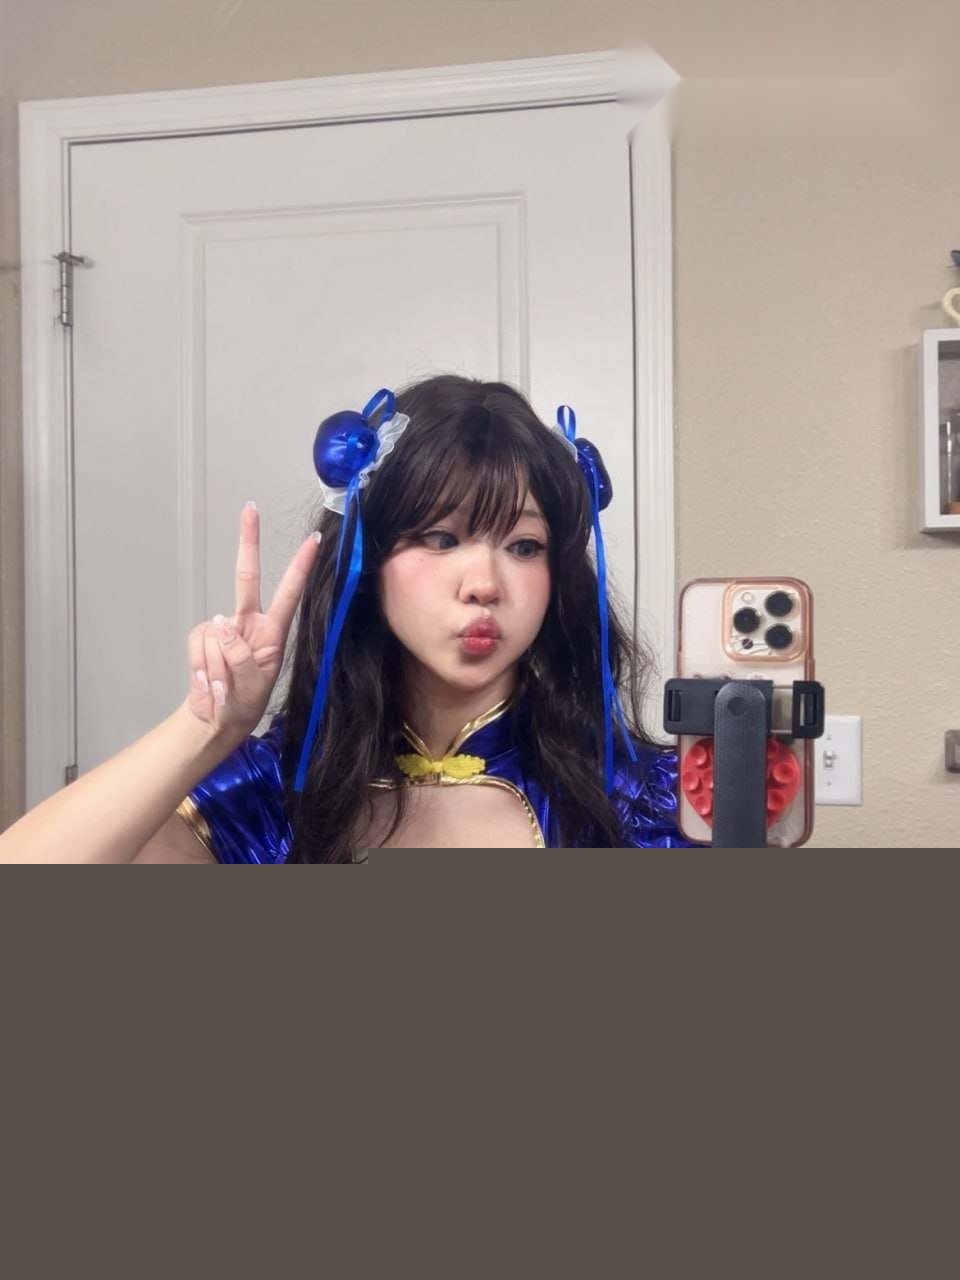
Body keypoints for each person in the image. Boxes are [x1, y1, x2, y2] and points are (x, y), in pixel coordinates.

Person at [0, 373, 691, 863]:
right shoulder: (278, 794)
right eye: (440, 538)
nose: (484, 584)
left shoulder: (642, 799)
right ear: (370, 557)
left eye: (524, 547)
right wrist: (205, 729)